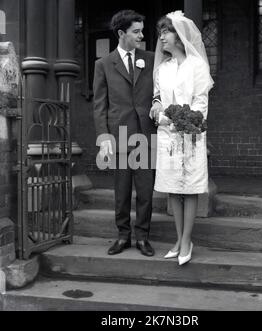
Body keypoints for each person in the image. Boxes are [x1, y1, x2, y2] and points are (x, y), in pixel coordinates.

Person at [150, 11, 214, 265]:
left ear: (180, 35)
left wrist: (182, 120)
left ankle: (187, 239)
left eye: (166, 32)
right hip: (167, 137)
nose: (162, 38)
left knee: (189, 187)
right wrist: (156, 108)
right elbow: (157, 98)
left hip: (191, 133)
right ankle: (178, 239)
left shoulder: (197, 66)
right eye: (160, 33)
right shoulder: (162, 69)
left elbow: (201, 102)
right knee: (173, 189)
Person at [93, 10, 157, 257]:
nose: (141, 36)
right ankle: (123, 236)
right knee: (121, 191)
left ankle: (142, 237)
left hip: (144, 134)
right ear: (121, 33)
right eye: (136, 32)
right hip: (118, 134)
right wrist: (103, 138)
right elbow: (100, 105)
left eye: (142, 30)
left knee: (145, 190)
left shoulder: (151, 59)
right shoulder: (103, 64)